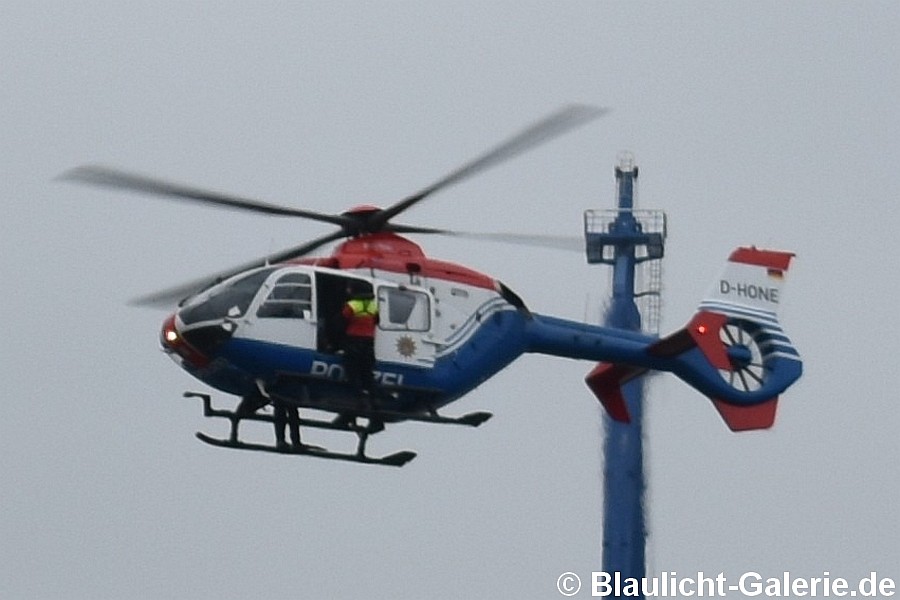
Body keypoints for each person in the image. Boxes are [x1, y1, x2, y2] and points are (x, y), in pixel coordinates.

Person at [341, 282, 379, 396]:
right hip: (368, 341)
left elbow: (342, 319)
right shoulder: (374, 306)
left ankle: (358, 395)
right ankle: (373, 397)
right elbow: (377, 321)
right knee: (367, 370)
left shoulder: (352, 305)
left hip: (354, 339)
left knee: (352, 368)